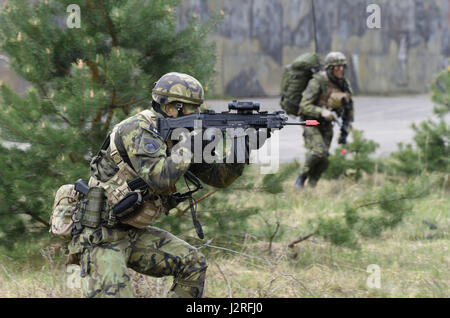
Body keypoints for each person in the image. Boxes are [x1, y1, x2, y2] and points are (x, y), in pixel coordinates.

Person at [67, 72, 250, 298]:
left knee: (193, 265)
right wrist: (191, 144)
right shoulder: (137, 129)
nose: (198, 114)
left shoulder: (180, 136)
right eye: (193, 108)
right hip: (101, 235)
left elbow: (219, 178)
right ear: (173, 107)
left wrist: (243, 146)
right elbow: (159, 177)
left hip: (132, 232)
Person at [294, 52, 354, 188]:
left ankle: (312, 185)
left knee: (325, 159)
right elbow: (304, 105)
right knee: (318, 152)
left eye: (342, 66)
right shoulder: (317, 82)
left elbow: (349, 105)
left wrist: (347, 123)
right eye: (336, 67)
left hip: (327, 125)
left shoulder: (343, 84)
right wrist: (322, 111)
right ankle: (301, 178)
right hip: (311, 122)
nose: (340, 70)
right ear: (330, 68)